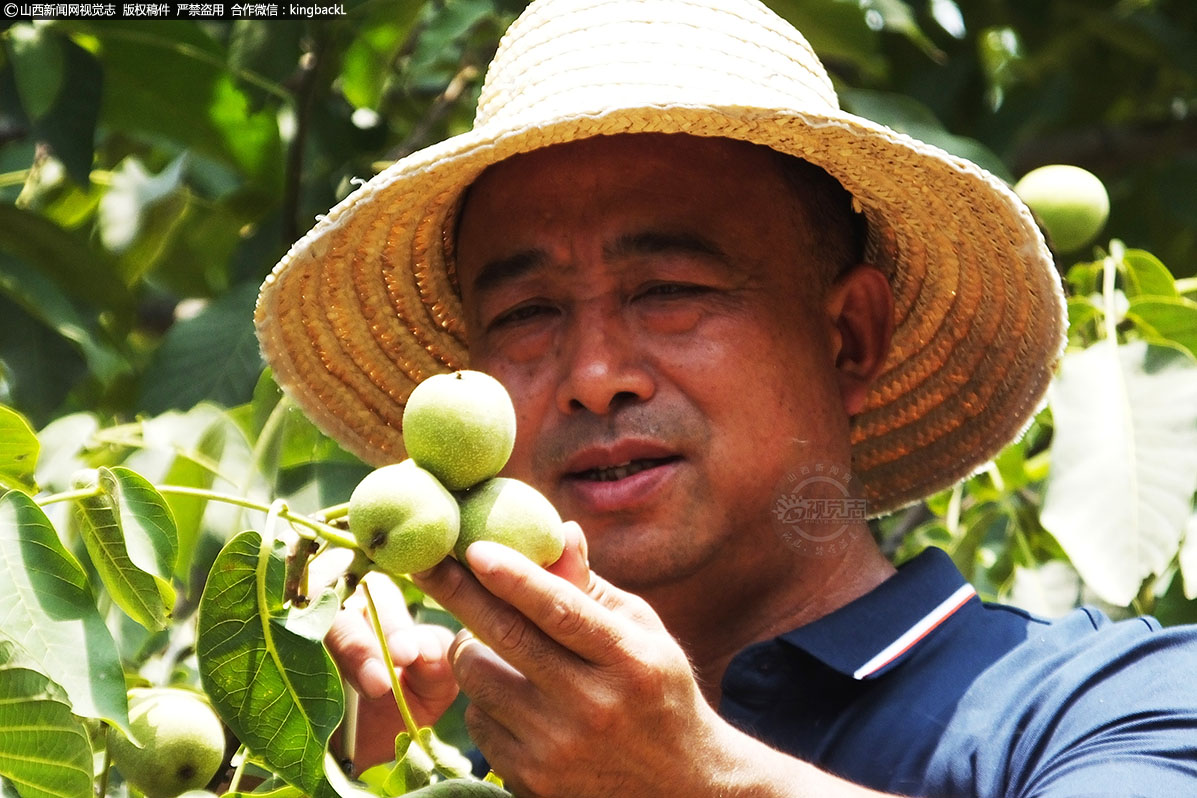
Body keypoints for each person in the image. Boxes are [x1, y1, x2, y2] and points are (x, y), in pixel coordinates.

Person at [254, 0, 1197, 796]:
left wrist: (699, 777)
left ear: (847, 339)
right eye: (527, 312)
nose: (592, 377)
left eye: (669, 291)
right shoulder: (457, 762)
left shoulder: (1104, 702)